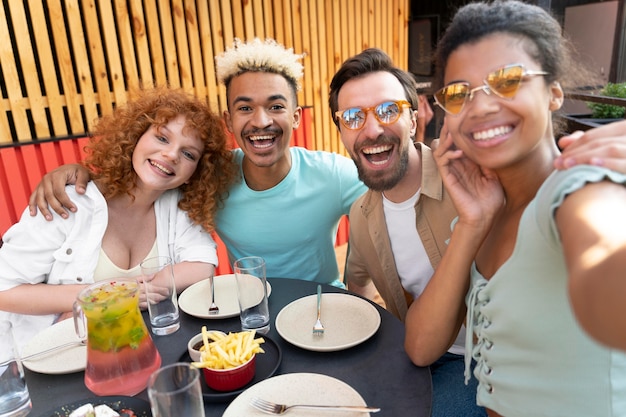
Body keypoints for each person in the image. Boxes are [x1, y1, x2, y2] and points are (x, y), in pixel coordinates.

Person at [404, 1, 626, 416]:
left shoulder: (580, 187)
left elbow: (610, 278)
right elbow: (420, 347)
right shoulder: (481, 215)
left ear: (554, 92)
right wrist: (471, 224)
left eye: (507, 81)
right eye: (459, 93)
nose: (481, 106)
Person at [27, 38, 367, 288]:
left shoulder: (333, 174)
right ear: (229, 119)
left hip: (322, 308)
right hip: (250, 311)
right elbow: (154, 173)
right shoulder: (210, 175)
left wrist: (360, 285)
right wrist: (79, 175)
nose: (261, 121)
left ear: (295, 117)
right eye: (245, 108)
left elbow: (389, 195)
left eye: (276, 107)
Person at [0, 87, 237, 347]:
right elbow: (4, 291)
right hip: (42, 361)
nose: (171, 155)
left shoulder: (177, 206)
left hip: (130, 348)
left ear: (194, 172)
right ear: (136, 137)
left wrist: (136, 293)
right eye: (162, 138)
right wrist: (108, 296)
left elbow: (201, 266)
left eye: (188, 153)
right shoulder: (68, 202)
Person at [329, 48, 484, 417]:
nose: (371, 129)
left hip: (486, 360)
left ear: (413, 120)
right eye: (353, 117)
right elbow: (359, 288)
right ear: (341, 132)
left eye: (388, 111)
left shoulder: (469, 175)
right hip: (413, 354)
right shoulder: (362, 214)